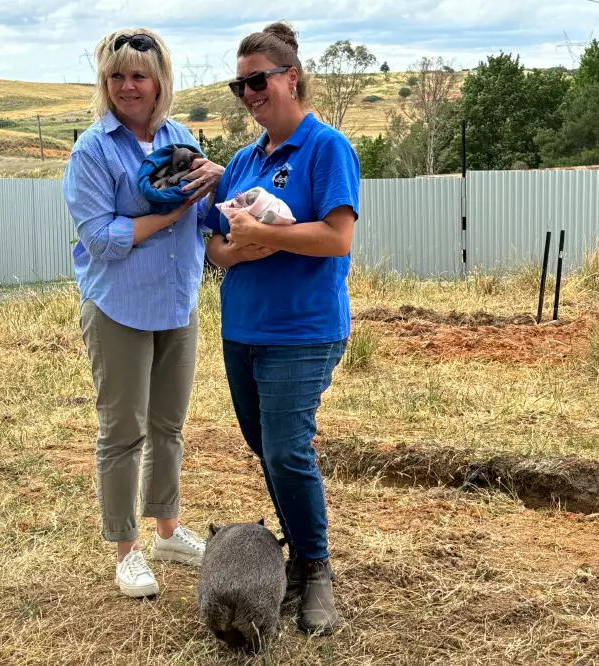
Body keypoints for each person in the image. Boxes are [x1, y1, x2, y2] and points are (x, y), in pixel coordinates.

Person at [204, 21, 361, 636]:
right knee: (264, 447)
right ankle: (297, 553)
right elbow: (217, 249)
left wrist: (263, 234)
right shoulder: (242, 162)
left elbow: (336, 236)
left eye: (258, 81)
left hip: (302, 328)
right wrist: (241, 249)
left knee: (286, 449)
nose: (248, 95)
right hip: (242, 327)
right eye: (239, 85)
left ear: (291, 77)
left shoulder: (326, 148)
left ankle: (315, 568)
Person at [62, 27, 225, 598]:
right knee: (123, 429)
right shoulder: (93, 150)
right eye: (117, 76)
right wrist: (171, 212)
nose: (128, 86)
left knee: (168, 426)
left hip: (178, 301)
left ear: (160, 82)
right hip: (119, 306)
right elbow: (101, 237)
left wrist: (218, 183)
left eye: (139, 75)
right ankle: (126, 548)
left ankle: (168, 530)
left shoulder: (179, 136)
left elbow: (206, 219)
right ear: (104, 83)